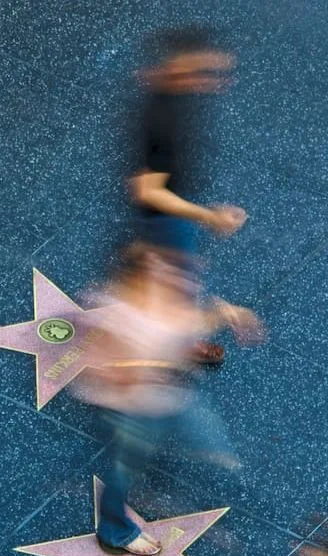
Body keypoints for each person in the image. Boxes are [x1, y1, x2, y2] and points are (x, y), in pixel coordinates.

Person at [73, 244, 264, 555]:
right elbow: (108, 371)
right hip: (131, 409)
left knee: (196, 422)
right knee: (125, 468)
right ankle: (113, 529)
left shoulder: (163, 300)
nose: (169, 279)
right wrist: (140, 370)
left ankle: (212, 452)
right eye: (156, 275)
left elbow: (187, 323)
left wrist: (228, 315)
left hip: (167, 394)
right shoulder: (119, 318)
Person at [126, 26, 246, 365]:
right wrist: (211, 217)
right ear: (179, 68)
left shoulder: (170, 99)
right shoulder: (163, 120)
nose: (219, 81)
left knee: (175, 276)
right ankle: (178, 342)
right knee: (177, 281)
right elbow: (149, 191)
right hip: (165, 219)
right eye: (206, 72)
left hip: (166, 218)